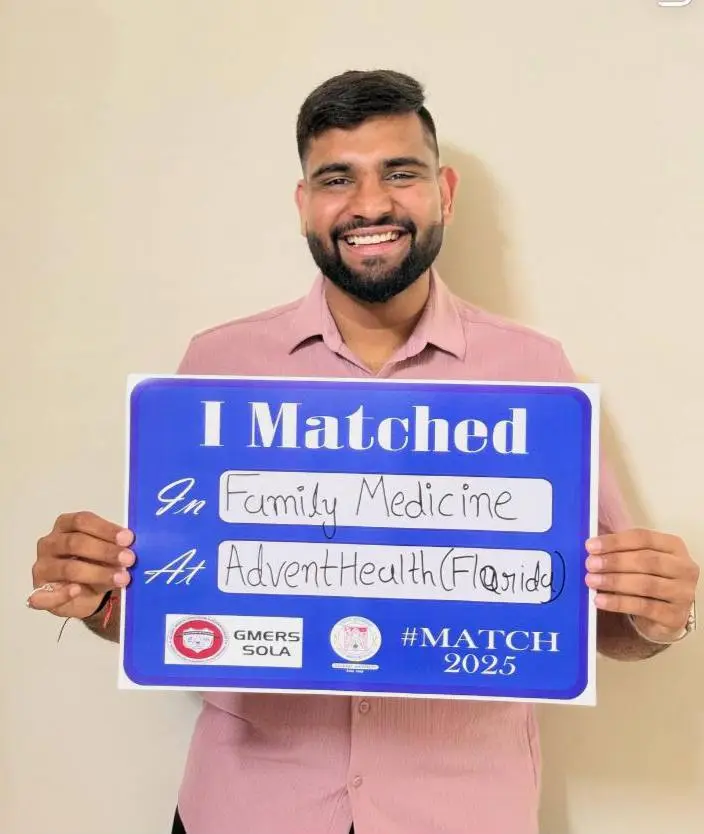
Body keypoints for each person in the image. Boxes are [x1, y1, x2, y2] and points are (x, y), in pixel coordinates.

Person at [29, 69, 699, 834]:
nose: (371, 204)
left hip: (458, 813)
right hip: (248, 808)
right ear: (303, 203)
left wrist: (657, 617)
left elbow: (601, 621)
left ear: (445, 192)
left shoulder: (536, 373)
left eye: (400, 173)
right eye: (337, 178)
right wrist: (100, 594)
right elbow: (172, 607)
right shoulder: (218, 365)